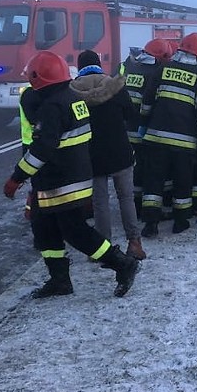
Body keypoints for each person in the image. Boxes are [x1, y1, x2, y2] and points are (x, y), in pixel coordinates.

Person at [3, 50, 140, 298]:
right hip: (68, 175)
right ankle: (60, 280)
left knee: (75, 231)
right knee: (45, 228)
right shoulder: (70, 98)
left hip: (60, 179)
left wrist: (17, 178)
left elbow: (43, 148)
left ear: (39, 78)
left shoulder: (52, 107)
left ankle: (123, 264)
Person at [70, 50, 146, 261]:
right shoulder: (115, 86)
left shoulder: (73, 92)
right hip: (120, 151)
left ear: (80, 67)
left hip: (91, 154)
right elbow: (131, 115)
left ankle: (102, 249)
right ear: (98, 64)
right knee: (126, 197)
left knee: (100, 202)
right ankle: (134, 243)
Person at [139, 32, 197, 236]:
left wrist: (143, 124)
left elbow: (147, 101)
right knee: (183, 183)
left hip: (155, 138)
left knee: (153, 181)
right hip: (184, 144)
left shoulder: (163, 70)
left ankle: (150, 224)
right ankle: (180, 222)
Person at [121, 39, 175, 220]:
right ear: (160, 57)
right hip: (145, 130)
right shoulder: (155, 73)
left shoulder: (131, 68)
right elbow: (152, 104)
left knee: (135, 169)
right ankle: (153, 208)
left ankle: (135, 205)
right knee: (151, 170)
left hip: (127, 129)